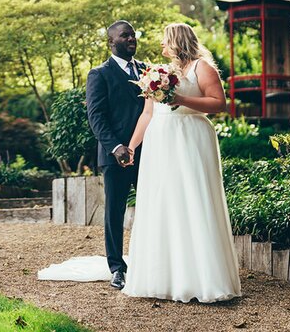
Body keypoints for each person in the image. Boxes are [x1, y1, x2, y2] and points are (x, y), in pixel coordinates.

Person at [121, 22, 241, 302]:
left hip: (191, 137)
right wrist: (132, 147)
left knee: (193, 199)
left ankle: (202, 278)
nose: (161, 46)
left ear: (177, 41)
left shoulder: (203, 67)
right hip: (161, 141)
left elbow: (219, 103)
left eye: (165, 40)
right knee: (164, 203)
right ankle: (163, 277)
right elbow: (147, 114)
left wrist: (181, 98)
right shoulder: (156, 72)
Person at [84, 20, 145, 290]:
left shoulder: (148, 70)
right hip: (116, 155)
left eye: (133, 35)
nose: (131, 38)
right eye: (125, 35)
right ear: (112, 42)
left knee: (152, 208)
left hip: (148, 153)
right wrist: (116, 146)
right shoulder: (100, 74)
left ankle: (148, 262)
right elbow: (96, 116)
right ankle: (117, 268)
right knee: (115, 211)